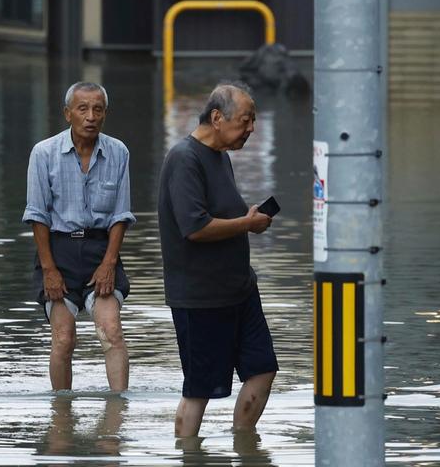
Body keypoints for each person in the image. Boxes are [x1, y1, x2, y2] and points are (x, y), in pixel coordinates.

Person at [157, 82, 277, 437]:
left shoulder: (221, 157)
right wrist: (247, 223)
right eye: (245, 120)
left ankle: (243, 443)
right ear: (216, 117)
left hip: (240, 288)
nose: (251, 129)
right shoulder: (184, 158)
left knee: (263, 369)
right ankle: (188, 454)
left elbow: (225, 214)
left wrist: (248, 219)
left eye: (252, 121)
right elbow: (195, 227)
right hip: (199, 295)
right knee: (199, 391)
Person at [23, 82, 134, 392]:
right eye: (82, 109)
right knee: (63, 338)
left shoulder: (118, 152)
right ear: (67, 113)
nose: (90, 116)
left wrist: (109, 263)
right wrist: (49, 270)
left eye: (98, 109)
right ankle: (61, 417)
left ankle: (118, 414)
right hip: (57, 250)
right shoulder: (44, 153)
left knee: (111, 331)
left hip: (102, 249)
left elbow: (121, 215)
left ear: (105, 114)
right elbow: (37, 215)